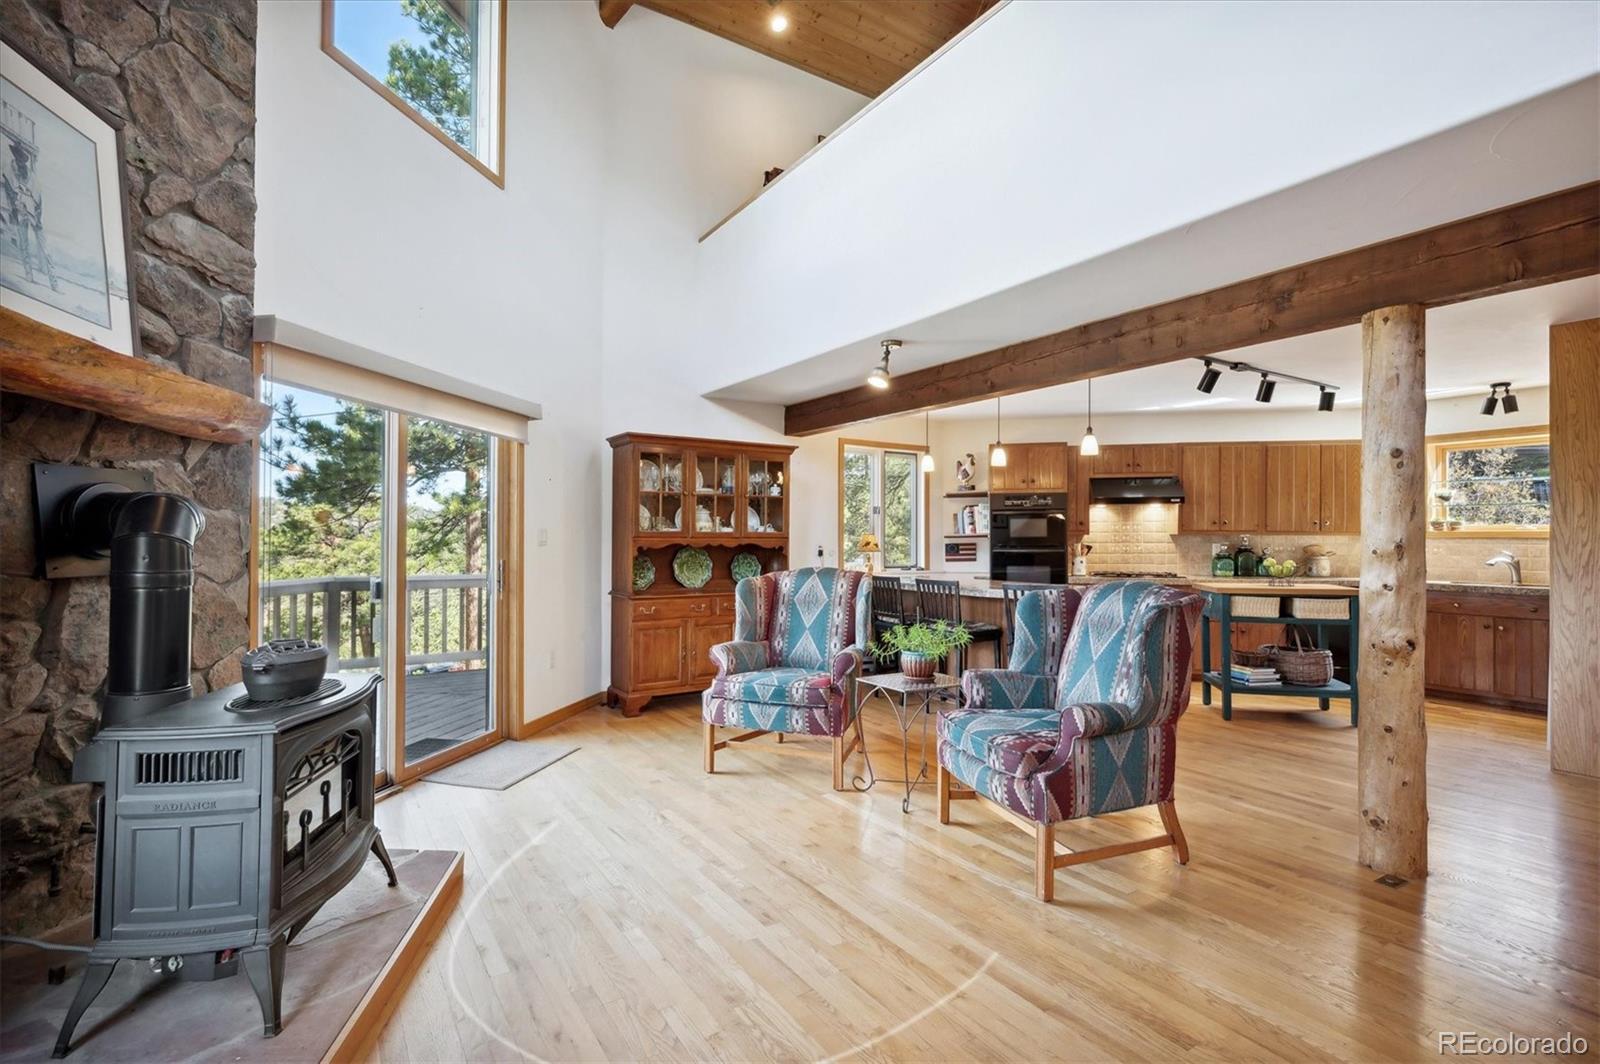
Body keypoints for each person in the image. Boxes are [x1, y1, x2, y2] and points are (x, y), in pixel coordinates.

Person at [2, 145, 61, 292]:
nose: (21, 163)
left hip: (34, 214)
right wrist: (16, 207)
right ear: (15, 158)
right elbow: (10, 192)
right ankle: (28, 274)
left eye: (23, 161)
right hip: (19, 212)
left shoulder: (32, 177)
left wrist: (38, 216)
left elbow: (39, 198)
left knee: (45, 247)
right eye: (19, 160)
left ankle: (54, 282)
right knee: (24, 244)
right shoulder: (8, 172)